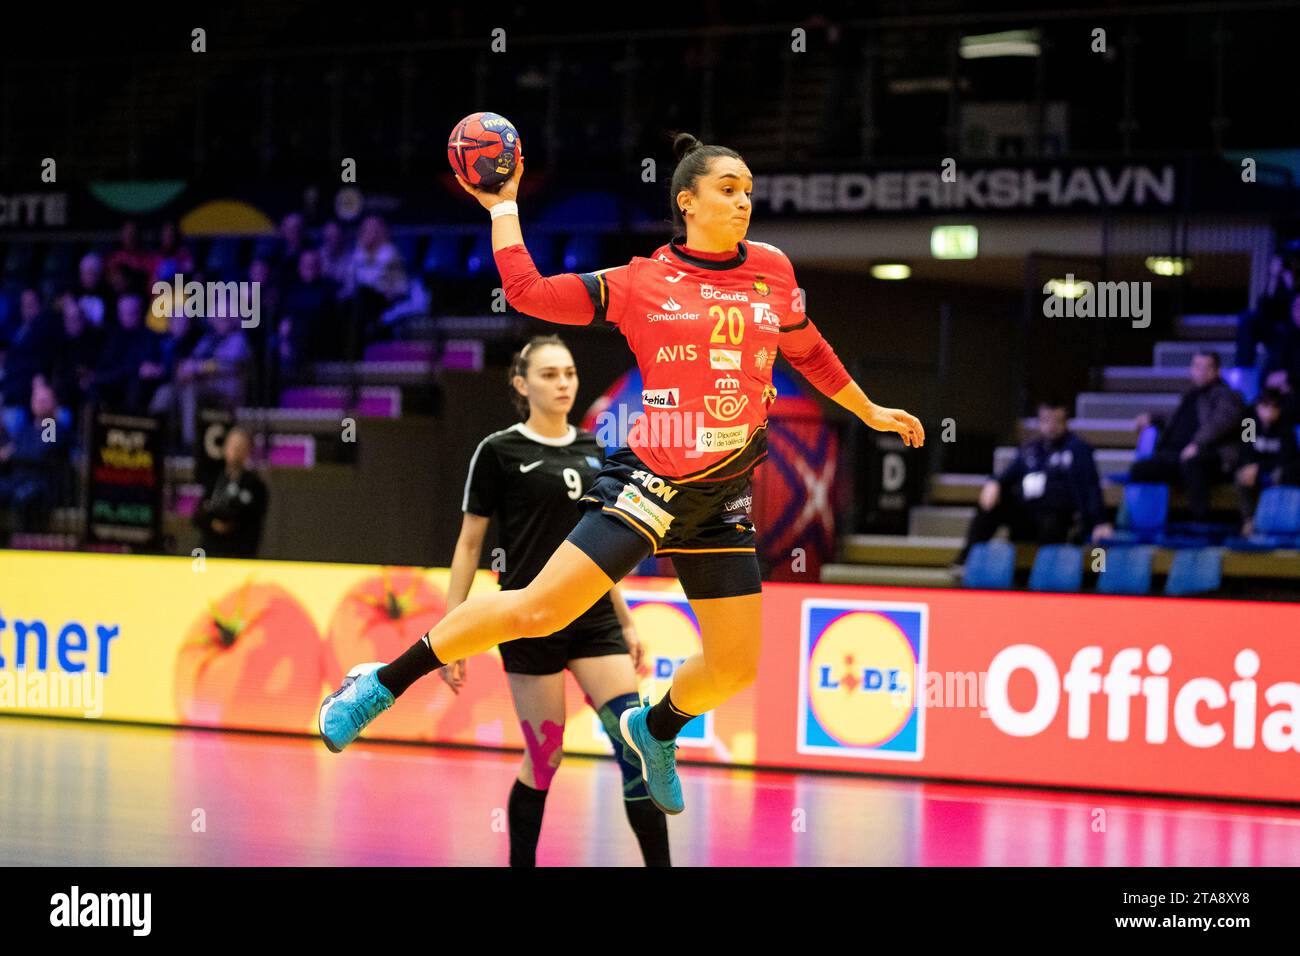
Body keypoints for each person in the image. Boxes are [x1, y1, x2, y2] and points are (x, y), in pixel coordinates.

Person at [319, 132, 924, 817]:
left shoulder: (773, 272)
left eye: (749, 190)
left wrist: (867, 408)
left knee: (735, 667)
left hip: (723, 494)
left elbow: (807, 349)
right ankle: (380, 685)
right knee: (537, 610)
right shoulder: (643, 282)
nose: (743, 201)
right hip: (652, 483)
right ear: (687, 202)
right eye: (728, 189)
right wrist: (503, 208)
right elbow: (529, 292)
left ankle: (655, 728)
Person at [440, 334, 670, 866]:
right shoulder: (498, 451)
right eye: (549, 375)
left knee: (636, 748)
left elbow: (603, 548)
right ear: (521, 385)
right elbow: (470, 544)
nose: (564, 382)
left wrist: (628, 623)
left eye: (568, 373)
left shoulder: (596, 451)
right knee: (545, 759)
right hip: (527, 620)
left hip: (592, 618)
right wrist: (452, 635)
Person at [954, 399, 1112, 566]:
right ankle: (966, 560)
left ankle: (1046, 573)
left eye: (1057, 421)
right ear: (1039, 421)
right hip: (1027, 515)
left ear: (1066, 421)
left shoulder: (1078, 448)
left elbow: (1091, 487)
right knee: (989, 506)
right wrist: (994, 483)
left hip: (1059, 517)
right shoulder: (1030, 448)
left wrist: (1099, 521)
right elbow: (1007, 476)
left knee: (1051, 519)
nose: (1051, 426)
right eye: (1046, 420)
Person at [1127, 351, 1245, 521]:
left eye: (1206, 368)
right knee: (1141, 468)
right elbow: (1175, 420)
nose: (1201, 372)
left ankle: (1200, 523)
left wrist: (1197, 444)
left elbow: (1221, 422)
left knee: (1192, 463)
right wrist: (1152, 418)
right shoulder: (1190, 395)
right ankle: (1144, 524)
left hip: (1213, 457)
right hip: (1177, 455)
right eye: (1197, 367)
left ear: (1217, 371)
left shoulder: (1228, 395)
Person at [192, 426, 269, 558]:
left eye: (240, 447)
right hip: (211, 551)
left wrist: (230, 521)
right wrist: (213, 523)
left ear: (248, 451)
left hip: (239, 553)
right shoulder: (214, 479)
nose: (236, 451)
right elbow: (198, 516)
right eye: (233, 446)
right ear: (225, 448)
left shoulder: (256, 485)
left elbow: (253, 520)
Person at [1235, 388, 1300, 534]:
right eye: (1265, 406)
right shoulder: (1249, 423)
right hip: (1255, 469)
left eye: (1274, 407)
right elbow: (1246, 451)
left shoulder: (1286, 426)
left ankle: (1277, 524)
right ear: (1258, 407)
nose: (1269, 411)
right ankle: (1248, 520)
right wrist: (1251, 467)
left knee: (1281, 474)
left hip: (1277, 469)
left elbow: (1286, 457)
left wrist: (1260, 467)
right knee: (1242, 475)